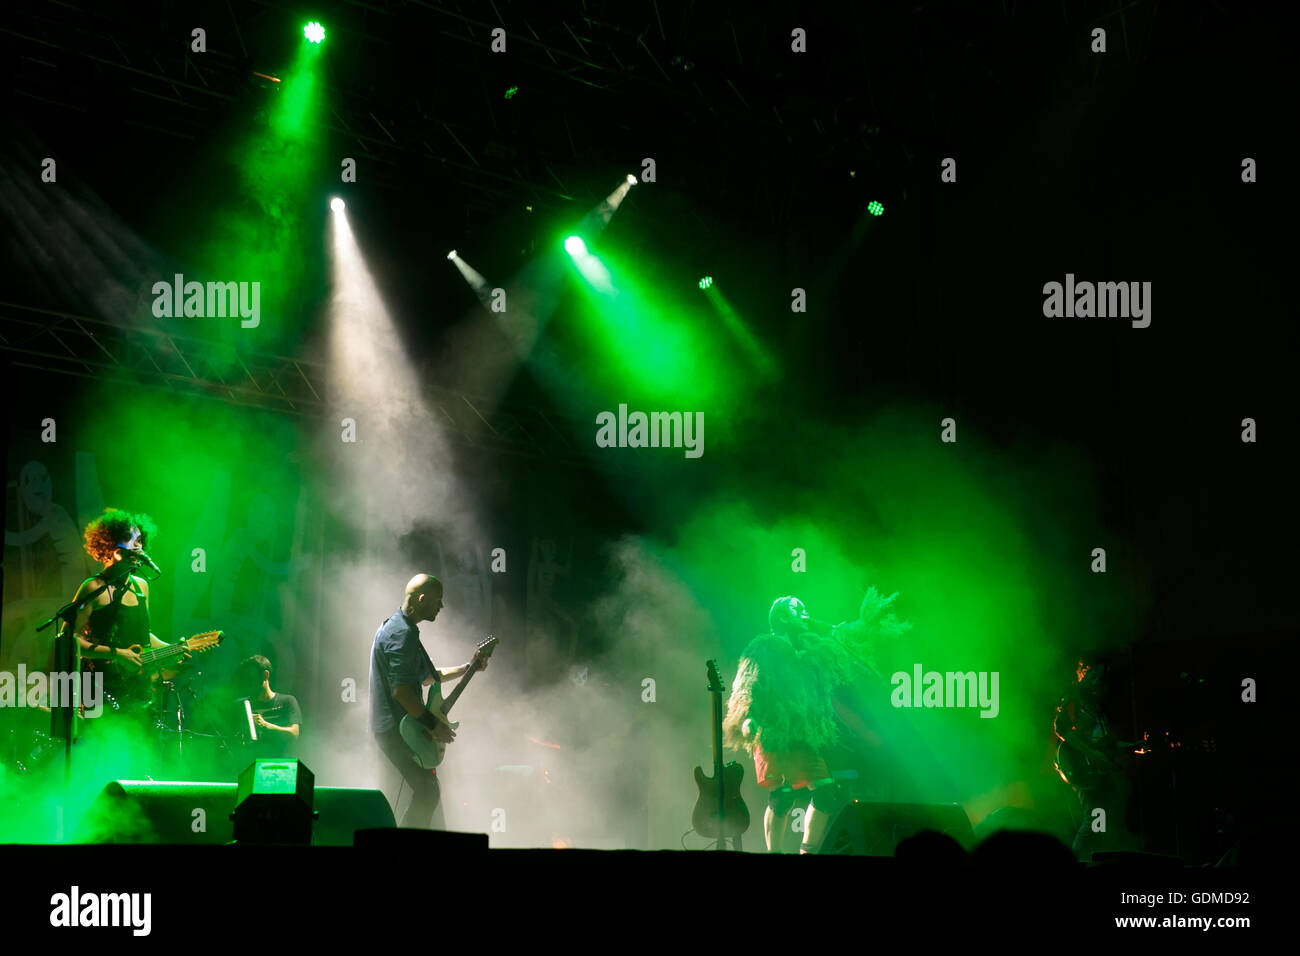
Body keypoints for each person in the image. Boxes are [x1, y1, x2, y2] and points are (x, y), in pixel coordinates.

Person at [723, 588, 910, 853]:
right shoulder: (764, 647)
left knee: (826, 794)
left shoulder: (810, 649)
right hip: (774, 733)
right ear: (782, 617)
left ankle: (807, 852)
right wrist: (748, 718)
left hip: (803, 735)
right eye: (796, 607)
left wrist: (858, 629)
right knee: (782, 797)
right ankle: (773, 853)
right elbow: (747, 685)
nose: (803, 610)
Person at [369, 573, 486, 828]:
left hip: (397, 727)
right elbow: (401, 691)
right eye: (438, 601)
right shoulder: (402, 634)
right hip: (395, 729)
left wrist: (469, 667)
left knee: (427, 791)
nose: (441, 606)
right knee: (427, 791)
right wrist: (434, 725)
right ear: (422, 599)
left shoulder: (401, 628)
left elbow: (427, 678)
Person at [71, 508, 189, 719]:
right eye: (130, 539)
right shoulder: (93, 588)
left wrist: (172, 650)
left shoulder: (142, 587)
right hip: (100, 693)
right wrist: (116, 654)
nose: (138, 546)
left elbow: (144, 637)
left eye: (140, 540)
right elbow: (70, 640)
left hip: (138, 694)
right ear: (109, 545)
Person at [1053, 657, 1142, 860]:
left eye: (1100, 677)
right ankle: (1079, 861)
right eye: (1093, 675)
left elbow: (1105, 744)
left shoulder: (1096, 707)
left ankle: (1097, 858)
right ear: (1082, 673)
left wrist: (1134, 746)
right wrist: (1092, 754)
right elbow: (1061, 727)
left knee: (1103, 820)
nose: (1097, 681)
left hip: (1098, 772)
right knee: (1094, 820)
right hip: (1084, 770)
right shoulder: (1074, 699)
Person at [237, 654, 302, 759]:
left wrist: (265, 725)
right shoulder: (244, 705)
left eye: (251, 678)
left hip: (281, 766)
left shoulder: (287, 701)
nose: (248, 683)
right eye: (246, 679)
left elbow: (294, 734)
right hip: (250, 767)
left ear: (265, 675)